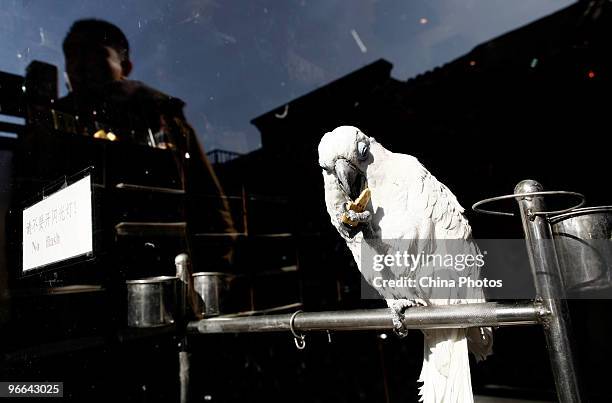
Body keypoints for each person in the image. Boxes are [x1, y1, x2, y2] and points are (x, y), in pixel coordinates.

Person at [55, 19, 236, 272]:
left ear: (125, 66)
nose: (80, 65)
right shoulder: (54, 121)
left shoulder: (163, 117)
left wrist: (217, 275)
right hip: (82, 274)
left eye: (94, 54)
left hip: (167, 269)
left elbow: (209, 203)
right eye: (71, 56)